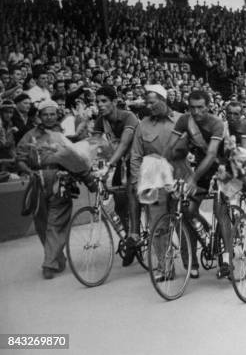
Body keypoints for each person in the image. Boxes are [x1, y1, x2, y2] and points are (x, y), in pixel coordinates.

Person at [15, 100, 94, 279]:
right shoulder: (30, 136)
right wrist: (28, 171)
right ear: (39, 117)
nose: (49, 117)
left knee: (56, 223)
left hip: (61, 181)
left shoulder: (67, 133)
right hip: (38, 182)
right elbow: (19, 158)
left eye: (52, 114)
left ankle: (49, 264)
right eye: (45, 114)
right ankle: (57, 257)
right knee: (42, 224)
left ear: (57, 115)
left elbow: (79, 156)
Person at [165, 90, 229, 279]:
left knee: (221, 211)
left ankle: (227, 259)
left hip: (223, 167)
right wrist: (161, 165)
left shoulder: (216, 123)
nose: (196, 111)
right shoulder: (185, 120)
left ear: (208, 107)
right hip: (203, 167)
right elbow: (169, 146)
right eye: (192, 107)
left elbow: (212, 155)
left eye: (200, 107)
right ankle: (207, 230)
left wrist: (193, 178)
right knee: (188, 209)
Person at [128, 85, 180, 268]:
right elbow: (135, 155)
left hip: (178, 175)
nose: (148, 106)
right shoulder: (142, 125)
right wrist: (136, 181)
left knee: (183, 221)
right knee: (158, 225)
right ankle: (165, 266)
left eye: (152, 102)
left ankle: (193, 263)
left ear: (163, 101)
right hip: (154, 179)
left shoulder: (180, 120)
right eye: (147, 103)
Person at [92, 85, 139, 266]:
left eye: (104, 101)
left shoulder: (129, 116)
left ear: (114, 102)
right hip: (119, 161)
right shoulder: (100, 120)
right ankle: (129, 240)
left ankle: (137, 235)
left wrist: (109, 164)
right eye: (97, 102)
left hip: (136, 159)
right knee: (120, 205)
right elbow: (94, 143)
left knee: (133, 197)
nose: (100, 105)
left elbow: (125, 143)